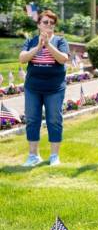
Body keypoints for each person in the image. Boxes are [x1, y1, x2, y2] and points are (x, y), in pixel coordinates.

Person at [19, 9, 69, 166]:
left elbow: (63, 59)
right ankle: (33, 156)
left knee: (54, 120)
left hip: (54, 88)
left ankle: (54, 156)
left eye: (52, 23)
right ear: (39, 24)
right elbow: (22, 58)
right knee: (32, 120)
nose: (49, 25)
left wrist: (48, 44)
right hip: (33, 87)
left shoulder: (60, 41)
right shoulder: (31, 41)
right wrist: (38, 48)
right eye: (45, 22)